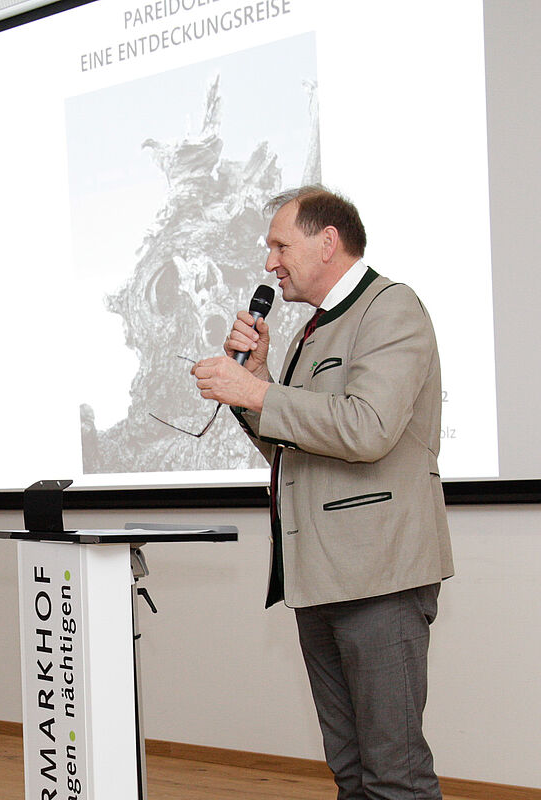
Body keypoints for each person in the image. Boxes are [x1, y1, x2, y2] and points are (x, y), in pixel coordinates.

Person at [190, 186, 453, 800]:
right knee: (351, 772)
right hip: (319, 577)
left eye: (280, 246)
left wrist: (257, 392)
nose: (270, 263)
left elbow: (368, 428)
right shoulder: (310, 333)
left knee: (395, 775)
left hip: (378, 576)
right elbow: (295, 451)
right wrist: (256, 379)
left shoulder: (391, 308)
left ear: (328, 241)